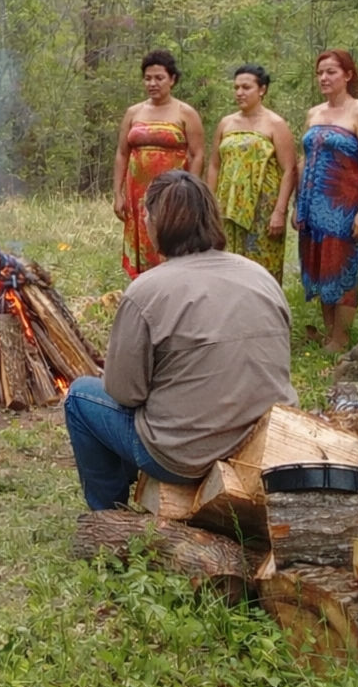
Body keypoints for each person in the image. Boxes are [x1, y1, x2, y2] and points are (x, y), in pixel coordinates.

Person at [64, 171, 298, 511]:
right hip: (267, 442)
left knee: (81, 397)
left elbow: (124, 392)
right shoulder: (259, 275)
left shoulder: (147, 291)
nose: (144, 222)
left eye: (146, 215)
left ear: (159, 223)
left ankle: (106, 515)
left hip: (185, 458)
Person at [296, 49, 358, 353]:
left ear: (348, 75)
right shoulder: (314, 113)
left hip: (344, 205)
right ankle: (329, 334)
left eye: (331, 71)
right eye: (320, 72)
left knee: (342, 268)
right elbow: (304, 159)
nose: (324, 77)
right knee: (320, 266)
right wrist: (299, 203)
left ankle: (342, 338)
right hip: (312, 203)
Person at [113, 49, 206, 278]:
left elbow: (197, 154)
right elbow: (122, 153)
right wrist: (118, 193)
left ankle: (172, 283)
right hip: (138, 193)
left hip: (172, 192)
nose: (152, 83)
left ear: (172, 80)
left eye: (159, 78)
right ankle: (143, 285)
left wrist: (190, 191)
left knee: (171, 235)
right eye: (148, 78)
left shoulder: (186, 113)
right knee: (143, 237)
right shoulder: (133, 112)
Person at [205, 63, 296, 283]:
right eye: (236, 87)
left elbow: (289, 170)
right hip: (226, 207)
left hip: (262, 209)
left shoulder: (275, 124)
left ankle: (265, 313)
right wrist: (209, 204)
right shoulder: (226, 123)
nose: (239, 92)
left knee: (261, 269)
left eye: (246, 87)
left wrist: (279, 211)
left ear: (262, 89)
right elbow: (215, 165)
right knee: (226, 265)